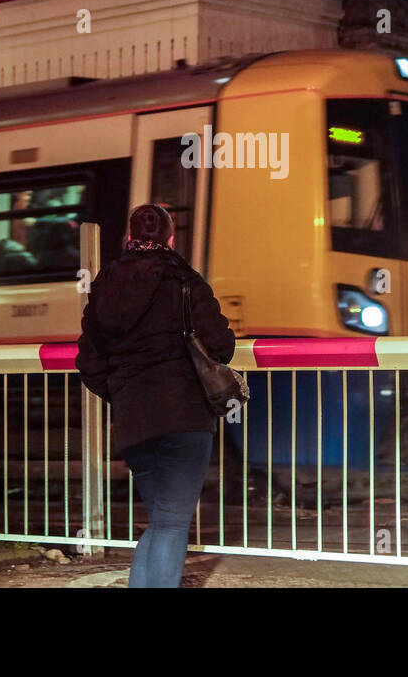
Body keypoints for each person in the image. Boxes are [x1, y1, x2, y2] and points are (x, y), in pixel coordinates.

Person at [75, 204, 236, 588]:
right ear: (171, 239)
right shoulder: (185, 280)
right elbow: (221, 345)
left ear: (129, 238)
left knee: (162, 520)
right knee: (172, 522)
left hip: (134, 422)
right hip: (184, 418)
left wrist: (122, 393)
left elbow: (90, 362)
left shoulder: (104, 287)